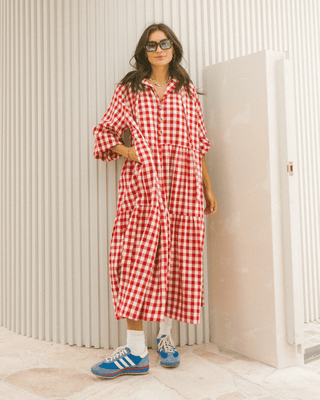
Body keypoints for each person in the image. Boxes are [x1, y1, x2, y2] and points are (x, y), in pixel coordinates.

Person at [91, 23, 217, 379]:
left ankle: (165, 337)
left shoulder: (187, 91)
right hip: (143, 187)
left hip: (183, 187)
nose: (159, 49)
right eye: (151, 45)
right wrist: (131, 151)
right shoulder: (129, 88)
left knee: (176, 256)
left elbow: (199, 144)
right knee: (134, 259)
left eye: (164, 43)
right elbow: (104, 133)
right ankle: (134, 351)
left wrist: (208, 186)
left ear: (174, 48)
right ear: (143, 51)